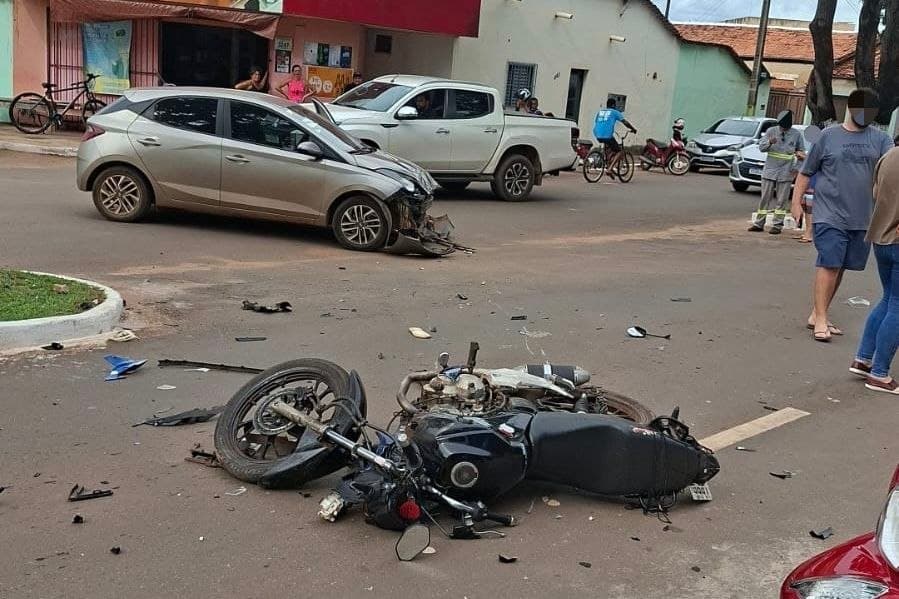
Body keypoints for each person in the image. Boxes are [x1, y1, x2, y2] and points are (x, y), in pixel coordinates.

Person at [791, 88, 895, 342]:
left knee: (841, 267)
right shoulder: (828, 136)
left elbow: (892, 173)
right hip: (830, 213)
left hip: (863, 217)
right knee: (830, 262)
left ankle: (817, 313)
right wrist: (796, 203)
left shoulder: (881, 140)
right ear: (850, 107)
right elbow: (806, 172)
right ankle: (822, 320)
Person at [850, 147, 899, 392]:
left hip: (881, 237)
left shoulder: (889, 156)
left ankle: (863, 358)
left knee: (889, 299)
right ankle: (880, 374)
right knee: (897, 306)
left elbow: (875, 192)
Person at [749, 110, 805, 235]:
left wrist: (796, 169)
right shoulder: (771, 131)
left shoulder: (796, 135)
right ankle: (759, 223)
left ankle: (777, 225)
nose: (784, 129)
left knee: (782, 200)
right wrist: (769, 142)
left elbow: (801, 153)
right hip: (770, 170)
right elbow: (761, 147)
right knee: (765, 198)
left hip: (786, 172)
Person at [593, 98, 636, 179]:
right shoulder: (615, 112)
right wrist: (633, 129)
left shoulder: (600, 112)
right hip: (607, 135)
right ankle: (609, 169)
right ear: (613, 105)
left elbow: (598, 123)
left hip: (597, 134)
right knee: (619, 151)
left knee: (609, 146)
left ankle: (608, 163)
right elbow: (625, 122)